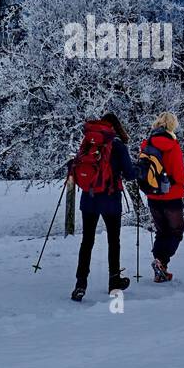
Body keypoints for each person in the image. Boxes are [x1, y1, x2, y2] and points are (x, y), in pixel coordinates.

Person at [71, 113, 138, 301]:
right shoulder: (117, 145)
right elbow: (130, 174)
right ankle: (114, 281)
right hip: (110, 198)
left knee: (87, 241)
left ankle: (80, 284)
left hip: (89, 198)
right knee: (113, 241)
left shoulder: (89, 141)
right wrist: (141, 169)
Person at [141, 112, 184, 283]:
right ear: (173, 126)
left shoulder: (146, 144)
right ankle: (161, 262)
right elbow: (180, 177)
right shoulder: (173, 146)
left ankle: (161, 268)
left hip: (153, 195)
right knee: (176, 232)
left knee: (162, 232)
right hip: (172, 196)